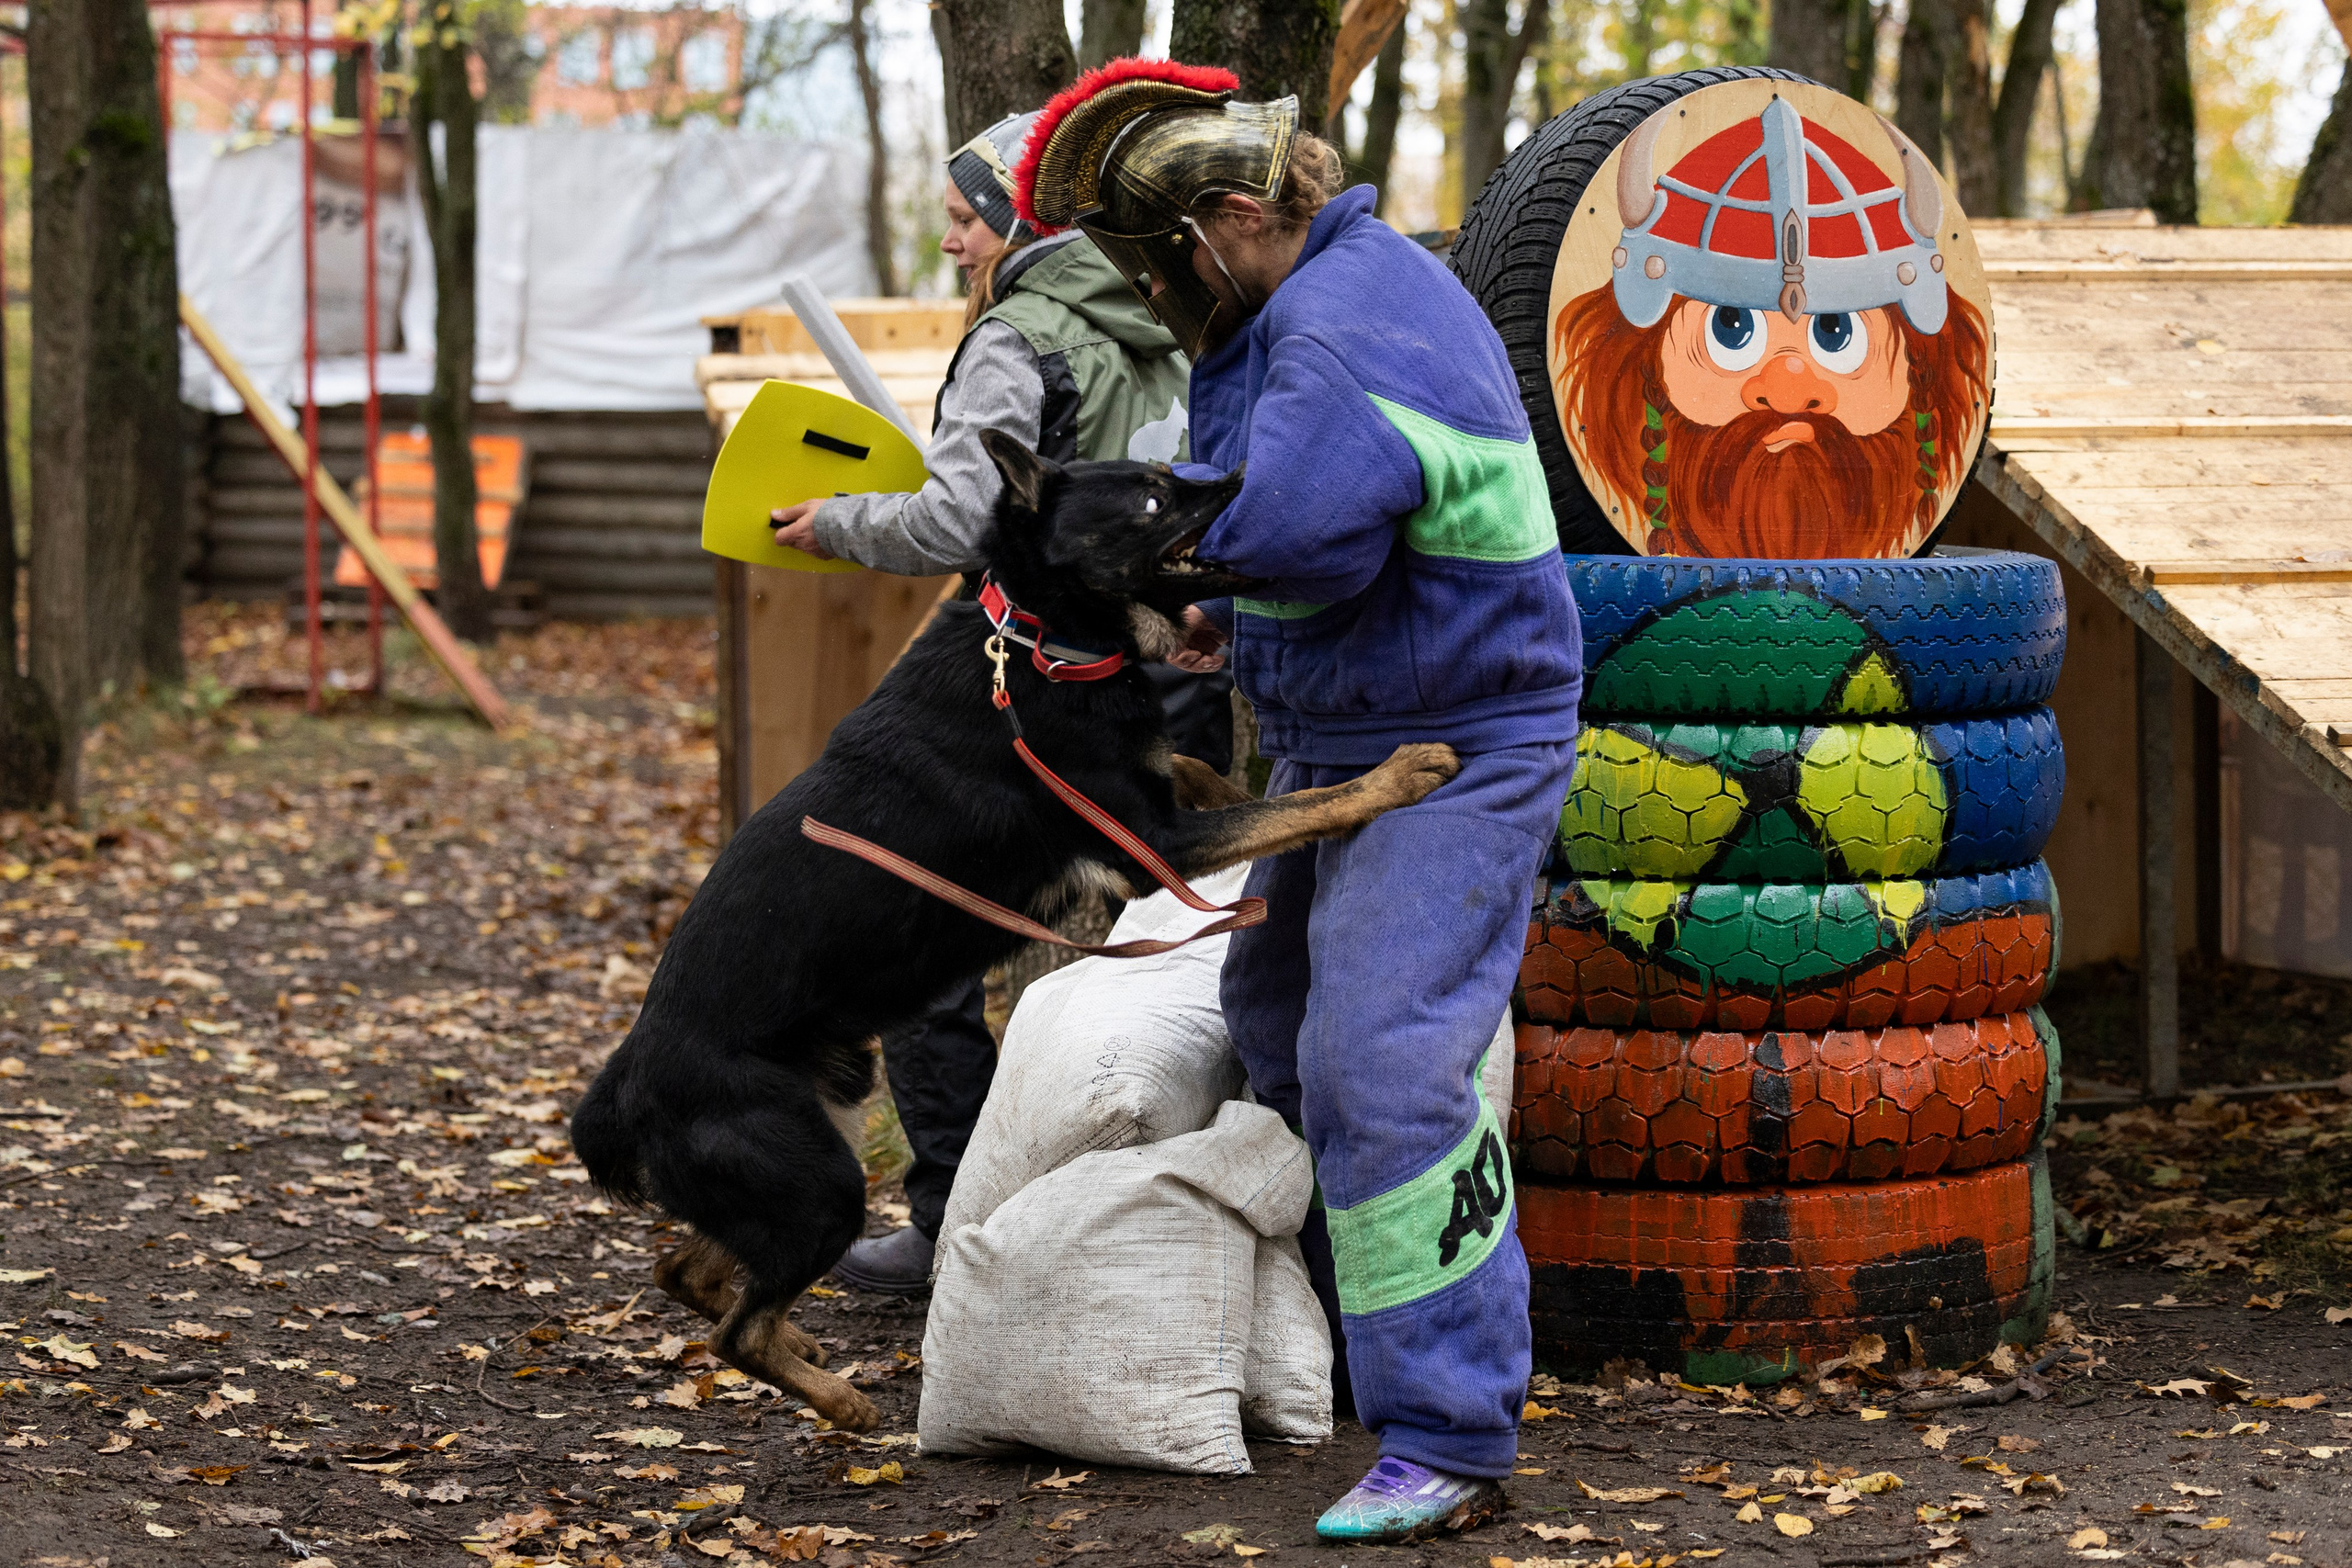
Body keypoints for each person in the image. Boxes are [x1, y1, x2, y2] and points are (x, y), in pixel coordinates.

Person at [1016, 59, 1584, 1543]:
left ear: (1228, 218)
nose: (1164, 295)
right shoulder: (1313, 301)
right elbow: (1300, 535)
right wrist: (1232, 625)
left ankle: (1452, 1431)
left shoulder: (1343, 326)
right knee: (1274, 1025)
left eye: (1162, 266)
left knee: (1380, 1060)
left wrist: (1158, 579)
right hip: (1349, 735)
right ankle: (1358, 1329)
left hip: (1460, 742)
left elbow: (1300, 529)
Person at [768, 107, 1225, 1294]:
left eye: (965, 221)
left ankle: (956, 1227)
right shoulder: (1174, 320)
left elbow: (957, 518)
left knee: (924, 962)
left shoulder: (1021, 337)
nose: (952, 248)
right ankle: (1132, 1243)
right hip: (1176, 675)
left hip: (1051, 699)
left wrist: (834, 522)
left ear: (1020, 220)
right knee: (1146, 977)